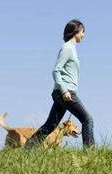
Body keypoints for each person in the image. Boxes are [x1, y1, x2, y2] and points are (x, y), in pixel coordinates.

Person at [25, 19, 95, 148]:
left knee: (50, 125)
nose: (83, 35)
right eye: (82, 32)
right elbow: (56, 70)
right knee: (87, 119)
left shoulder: (71, 48)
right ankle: (90, 153)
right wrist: (64, 90)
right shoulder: (67, 48)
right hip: (65, 92)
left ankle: (28, 149)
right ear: (76, 32)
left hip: (61, 93)